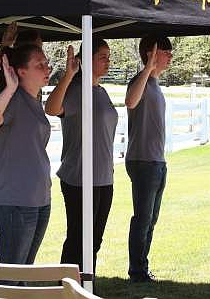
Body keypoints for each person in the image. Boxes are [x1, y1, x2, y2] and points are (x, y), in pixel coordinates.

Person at [44, 39, 118, 274]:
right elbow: (52, 109)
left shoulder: (101, 91)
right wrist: (68, 75)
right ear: (87, 60)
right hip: (79, 177)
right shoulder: (76, 91)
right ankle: (65, 288)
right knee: (78, 240)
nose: (108, 61)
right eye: (102, 57)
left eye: (108, 56)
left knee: (94, 242)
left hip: (104, 177)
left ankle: (86, 287)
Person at [0, 44, 52, 268]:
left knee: (23, 273)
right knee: (9, 275)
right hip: (15, 202)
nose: (47, 68)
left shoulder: (33, 101)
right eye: (39, 65)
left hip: (39, 200)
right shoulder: (13, 99)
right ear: (21, 71)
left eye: (46, 63)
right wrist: (9, 89)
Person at [124, 35, 173, 283]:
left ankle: (142, 267)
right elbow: (130, 102)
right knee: (142, 219)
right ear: (151, 52)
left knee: (151, 220)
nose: (170, 56)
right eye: (166, 51)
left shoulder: (154, 85)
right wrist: (147, 67)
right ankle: (136, 271)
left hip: (157, 161)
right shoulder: (140, 81)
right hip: (142, 161)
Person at [0, 22, 42, 95]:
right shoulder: (10, 65)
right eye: (38, 48)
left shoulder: (35, 71)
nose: (41, 53)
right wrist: (3, 46)